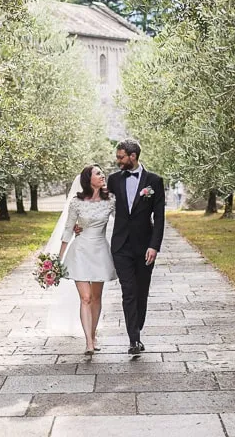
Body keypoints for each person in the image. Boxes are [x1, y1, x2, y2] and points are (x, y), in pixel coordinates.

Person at [106, 138, 165, 356]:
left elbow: (159, 218)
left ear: (133, 156)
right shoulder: (113, 180)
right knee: (128, 292)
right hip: (120, 246)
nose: (118, 160)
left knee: (141, 292)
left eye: (121, 157)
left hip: (144, 247)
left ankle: (137, 327)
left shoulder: (155, 181)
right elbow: (96, 200)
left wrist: (154, 246)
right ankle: (134, 339)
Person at [57, 165, 117, 354]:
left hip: (99, 251)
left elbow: (124, 219)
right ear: (88, 179)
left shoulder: (111, 200)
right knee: (86, 297)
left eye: (102, 173)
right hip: (80, 251)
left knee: (97, 297)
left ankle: (93, 333)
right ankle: (88, 342)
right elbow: (68, 228)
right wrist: (58, 259)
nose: (102, 176)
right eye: (98, 173)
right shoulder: (76, 202)